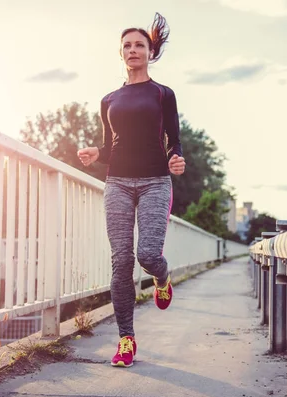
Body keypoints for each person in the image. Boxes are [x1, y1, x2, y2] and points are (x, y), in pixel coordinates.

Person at [77, 12, 186, 368]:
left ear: (150, 51)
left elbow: (174, 140)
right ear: (120, 53)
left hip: (155, 181)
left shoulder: (162, 94)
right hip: (118, 183)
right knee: (121, 261)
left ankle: (163, 277)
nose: (133, 49)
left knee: (148, 255)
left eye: (139, 44)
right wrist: (97, 153)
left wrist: (176, 159)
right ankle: (126, 339)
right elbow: (111, 146)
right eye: (127, 45)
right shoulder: (109, 100)